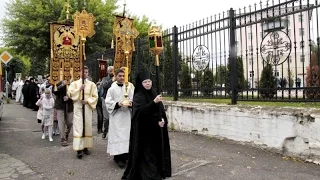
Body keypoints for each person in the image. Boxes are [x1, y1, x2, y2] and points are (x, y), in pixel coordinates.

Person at [122, 71, 172, 180]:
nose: (148, 83)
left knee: (156, 152)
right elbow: (140, 113)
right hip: (144, 132)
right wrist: (153, 102)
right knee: (147, 155)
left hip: (155, 130)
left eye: (149, 81)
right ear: (141, 83)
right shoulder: (138, 96)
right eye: (145, 82)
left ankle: (158, 172)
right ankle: (149, 175)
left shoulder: (154, 93)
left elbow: (160, 110)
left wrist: (162, 120)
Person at [105, 69, 134, 168]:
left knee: (126, 136)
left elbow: (133, 98)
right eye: (120, 76)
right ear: (116, 76)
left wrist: (131, 103)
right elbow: (108, 102)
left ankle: (126, 156)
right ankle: (118, 158)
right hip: (116, 116)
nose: (122, 78)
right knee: (117, 136)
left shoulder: (129, 88)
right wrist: (118, 104)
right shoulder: (111, 89)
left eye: (123, 76)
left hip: (126, 116)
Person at [67, 66, 98, 159]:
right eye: (83, 72)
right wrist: (79, 89)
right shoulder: (74, 84)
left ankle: (85, 146)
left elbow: (95, 96)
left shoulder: (92, 85)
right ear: (79, 73)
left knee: (87, 127)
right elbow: (70, 94)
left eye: (86, 72)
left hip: (87, 108)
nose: (85, 74)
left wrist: (88, 100)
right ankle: (78, 149)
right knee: (78, 127)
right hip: (78, 108)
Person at [54, 80, 74, 147]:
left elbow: (76, 94)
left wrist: (69, 98)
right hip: (60, 106)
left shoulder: (73, 82)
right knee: (61, 122)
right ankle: (63, 138)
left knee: (70, 122)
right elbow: (55, 91)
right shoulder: (58, 81)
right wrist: (62, 84)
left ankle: (66, 133)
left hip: (69, 106)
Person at [100, 66, 114, 138]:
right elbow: (104, 85)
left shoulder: (118, 78)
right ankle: (105, 131)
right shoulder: (104, 79)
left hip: (114, 100)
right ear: (108, 72)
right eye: (111, 71)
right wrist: (112, 80)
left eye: (113, 70)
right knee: (106, 118)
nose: (112, 72)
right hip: (105, 99)